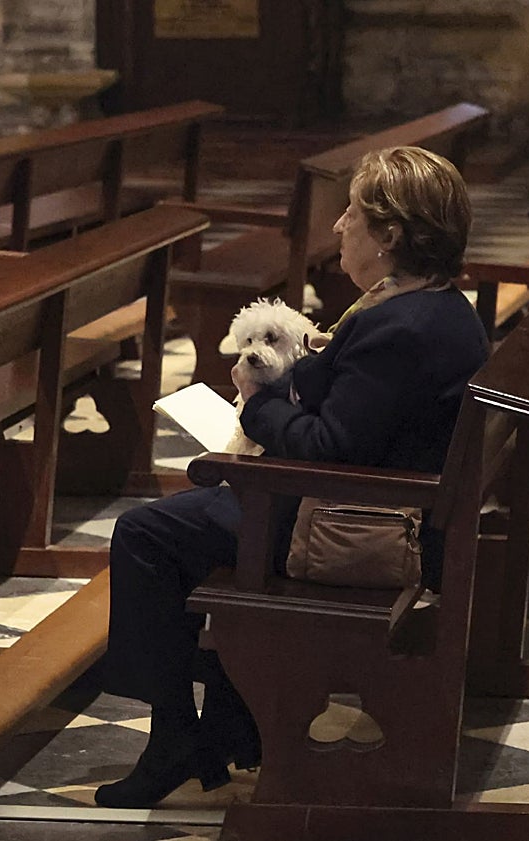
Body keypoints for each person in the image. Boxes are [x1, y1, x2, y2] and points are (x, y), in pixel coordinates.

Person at [95, 146, 489, 808]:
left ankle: (176, 735)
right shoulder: (426, 306)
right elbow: (354, 397)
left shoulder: (401, 327)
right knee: (192, 522)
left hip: (358, 529)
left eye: (352, 213)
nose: (337, 226)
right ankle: (229, 719)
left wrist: (258, 406)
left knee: (145, 533)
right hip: (375, 510)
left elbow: (329, 444)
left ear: (390, 234)